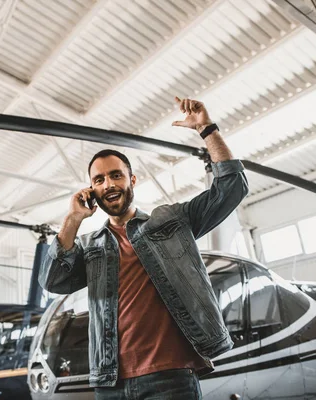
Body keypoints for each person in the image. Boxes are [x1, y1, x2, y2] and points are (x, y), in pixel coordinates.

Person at [39, 97, 249, 400]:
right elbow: (53, 281)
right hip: (110, 382)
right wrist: (72, 220)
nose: (109, 184)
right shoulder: (90, 246)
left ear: (131, 180)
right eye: (99, 180)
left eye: (116, 175)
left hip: (171, 376)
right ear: (92, 191)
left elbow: (232, 188)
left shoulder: (172, 221)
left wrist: (206, 129)